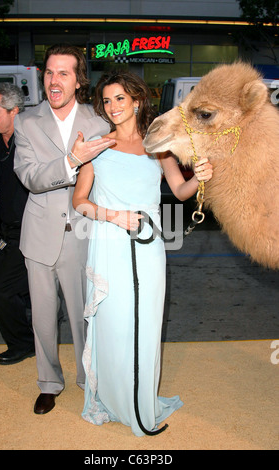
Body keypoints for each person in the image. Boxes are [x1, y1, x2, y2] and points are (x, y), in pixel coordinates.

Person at [72, 70, 213, 437]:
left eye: (120, 98)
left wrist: (202, 175)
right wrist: (114, 216)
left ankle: (141, 399)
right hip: (110, 245)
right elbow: (80, 202)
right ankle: (117, 400)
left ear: (137, 101)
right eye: (107, 100)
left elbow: (181, 191)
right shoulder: (97, 148)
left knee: (147, 324)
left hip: (149, 248)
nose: (113, 106)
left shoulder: (158, 146)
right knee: (115, 324)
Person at [13, 44, 114, 415]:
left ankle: (90, 381)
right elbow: (30, 177)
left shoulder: (100, 123)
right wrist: (71, 160)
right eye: (49, 73)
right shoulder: (26, 122)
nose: (54, 81)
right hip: (39, 237)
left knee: (84, 317)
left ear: (78, 80)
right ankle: (49, 383)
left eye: (63, 73)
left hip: (86, 237)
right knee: (42, 319)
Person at [0, 83, 35, 365]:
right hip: (2, 230)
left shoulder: (30, 143)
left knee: (2, 288)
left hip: (28, 232)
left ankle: (23, 343)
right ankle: (36, 303)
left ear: (14, 111)